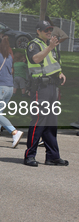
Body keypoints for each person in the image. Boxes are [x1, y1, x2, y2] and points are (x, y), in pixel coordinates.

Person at [23, 20, 68, 167]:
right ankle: (30, 155)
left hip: (52, 86)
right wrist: (49, 47)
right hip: (40, 88)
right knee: (38, 121)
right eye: (46, 30)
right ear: (38, 31)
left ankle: (52, 156)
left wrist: (60, 73)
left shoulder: (50, 45)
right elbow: (35, 59)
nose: (49, 32)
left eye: (50, 29)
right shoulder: (33, 45)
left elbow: (52, 62)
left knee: (51, 122)